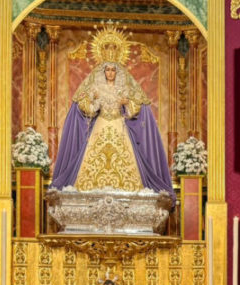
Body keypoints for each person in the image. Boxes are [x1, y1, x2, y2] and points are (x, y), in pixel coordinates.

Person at [49, 60, 173, 199]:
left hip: (119, 125)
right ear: (103, 72)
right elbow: (85, 107)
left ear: (117, 72)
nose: (110, 73)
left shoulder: (123, 88)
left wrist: (127, 103)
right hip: (100, 125)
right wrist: (95, 102)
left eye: (113, 70)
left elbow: (136, 108)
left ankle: (129, 192)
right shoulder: (96, 88)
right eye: (107, 70)